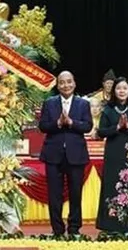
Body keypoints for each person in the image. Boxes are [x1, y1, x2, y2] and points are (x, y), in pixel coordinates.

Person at [38, 71, 93, 236]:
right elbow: (43, 126)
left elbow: (88, 126)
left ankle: (74, 228)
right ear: (58, 85)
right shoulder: (49, 103)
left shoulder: (83, 104)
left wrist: (71, 122)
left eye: (69, 82)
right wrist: (58, 123)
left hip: (76, 155)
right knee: (54, 195)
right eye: (62, 82)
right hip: (53, 155)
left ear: (74, 84)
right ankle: (57, 230)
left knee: (75, 194)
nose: (66, 85)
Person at [96, 77, 128, 233]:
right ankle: (112, 225)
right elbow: (101, 132)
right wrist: (117, 127)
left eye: (125, 88)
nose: (122, 91)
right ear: (114, 91)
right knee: (113, 185)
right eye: (119, 88)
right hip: (114, 151)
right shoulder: (107, 109)